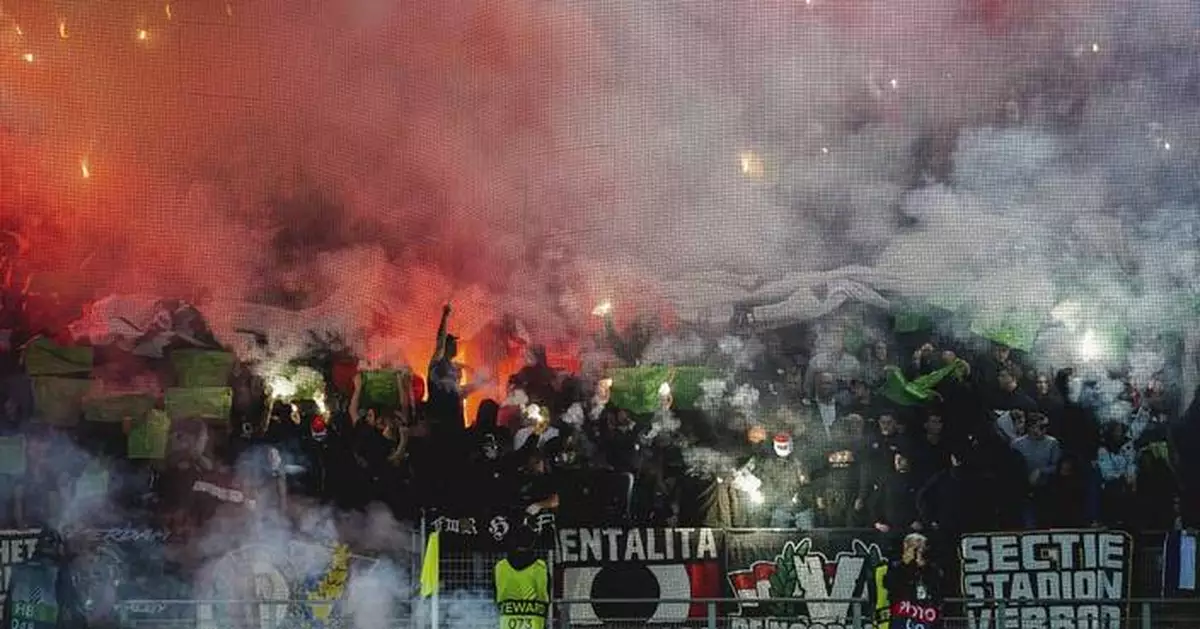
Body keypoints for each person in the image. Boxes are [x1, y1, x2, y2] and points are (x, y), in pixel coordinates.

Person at [494, 526, 550, 629]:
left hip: (507, 624)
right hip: (534, 623)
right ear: (532, 543)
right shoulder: (539, 567)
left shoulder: (500, 566)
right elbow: (544, 597)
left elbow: (496, 596)